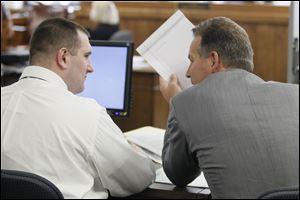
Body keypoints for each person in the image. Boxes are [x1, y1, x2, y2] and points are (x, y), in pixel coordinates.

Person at [1, 17, 155, 199]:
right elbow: (136, 177)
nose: (91, 68)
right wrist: (135, 153)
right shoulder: (88, 113)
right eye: (86, 56)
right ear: (63, 57)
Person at [159, 17, 299, 199]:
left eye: (191, 60)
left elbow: (177, 174)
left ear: (213, 60)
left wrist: (174, 101)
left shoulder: (185, 101)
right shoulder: (294, 94)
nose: (187, 72)